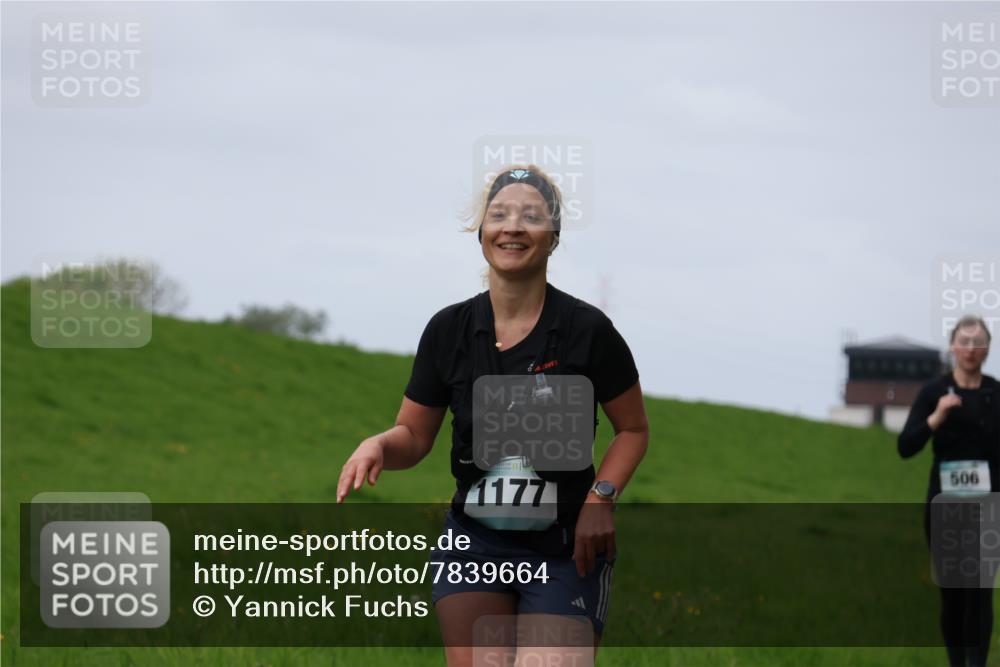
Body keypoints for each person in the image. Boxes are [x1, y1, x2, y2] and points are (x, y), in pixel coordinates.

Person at [337, 164, 649, 666]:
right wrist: (377, 445)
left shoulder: (588, 330)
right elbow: (413, 435)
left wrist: (601, 500)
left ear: (553, 236)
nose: (513, 227)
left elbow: (632, 429)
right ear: (481, 230)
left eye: (531, 216)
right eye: (499, 214)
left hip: (564, 549)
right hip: (474, 545)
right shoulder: (448, 330)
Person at [898, 314, 998, 667]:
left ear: (987, 349)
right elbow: (905, 446)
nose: (971, 349)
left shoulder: (996, 393)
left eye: (978, 342)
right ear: (953, 346)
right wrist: (936, 418)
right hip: (945, 506)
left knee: (980, 593)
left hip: (987, 506)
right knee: (953, 594)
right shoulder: (933, 392)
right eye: (964, 342)